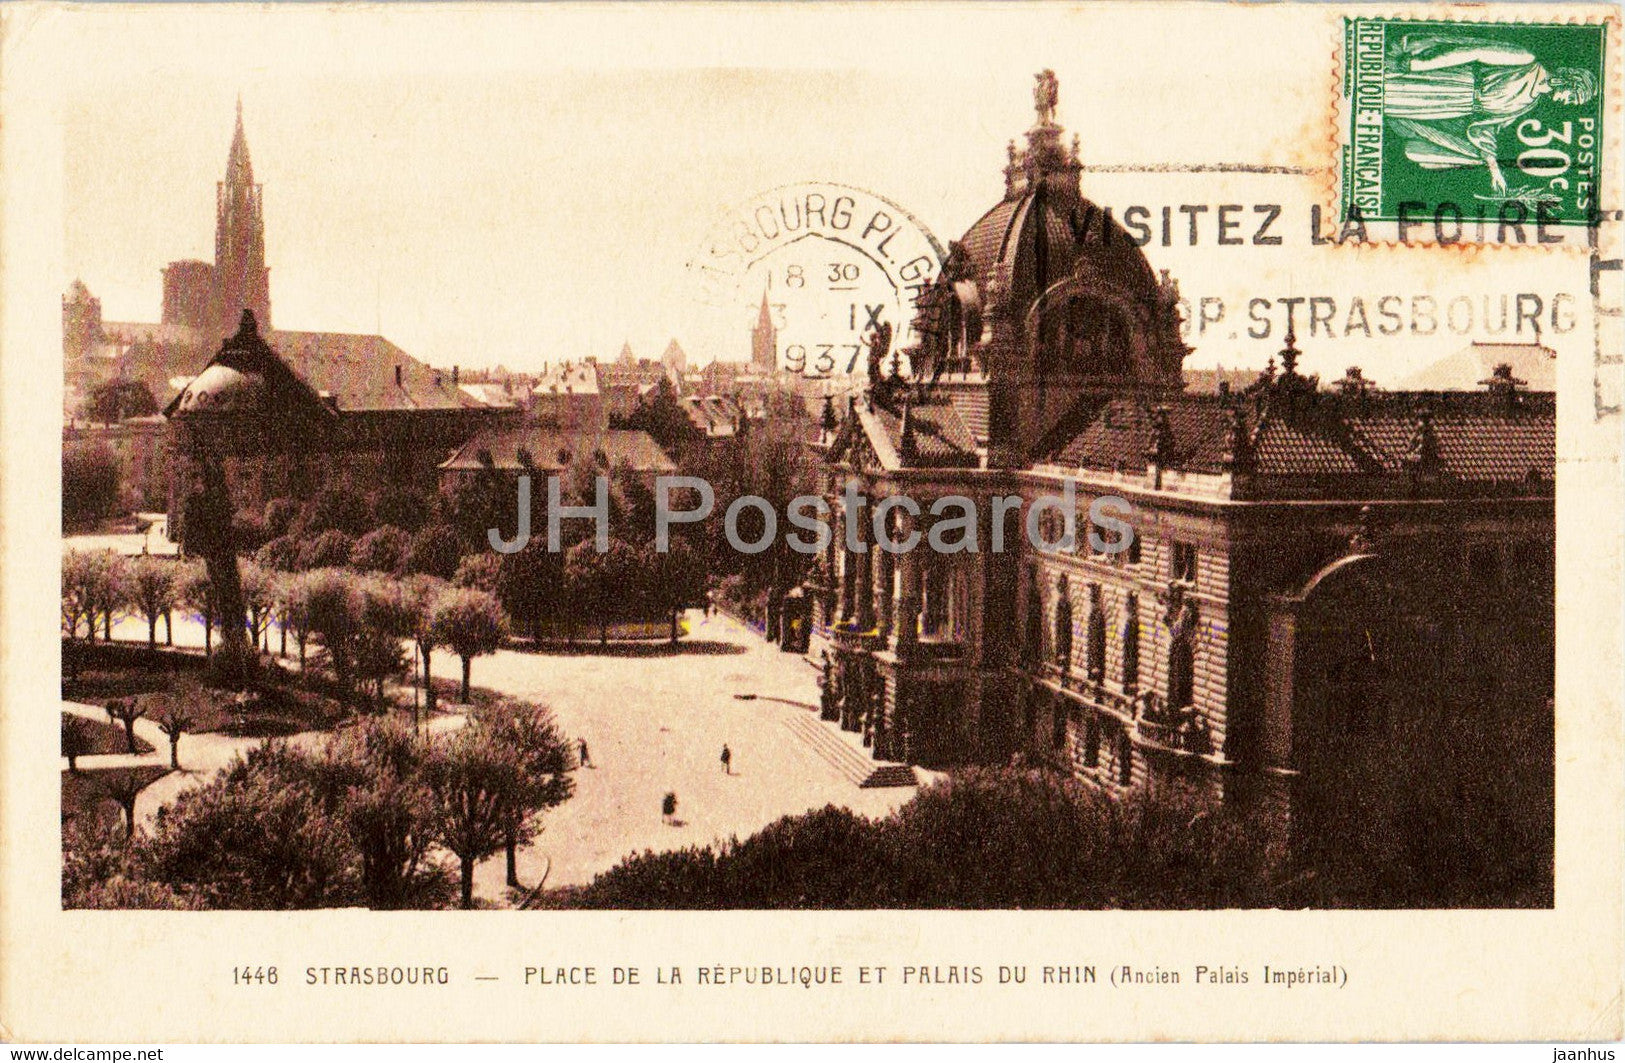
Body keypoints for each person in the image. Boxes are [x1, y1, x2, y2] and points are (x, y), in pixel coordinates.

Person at [1382, 32, 1599, 199]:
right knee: (1385, 85)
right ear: (1570, 82)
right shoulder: (1526, 59)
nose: (1567, 103)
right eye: (1572, 97)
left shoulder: (1528, 104)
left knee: (1385, 104)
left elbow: (1486, 129)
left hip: (1451, 106)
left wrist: (1495, 171)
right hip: (1447, 80)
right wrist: (1421, 64)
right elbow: (1472, 52)